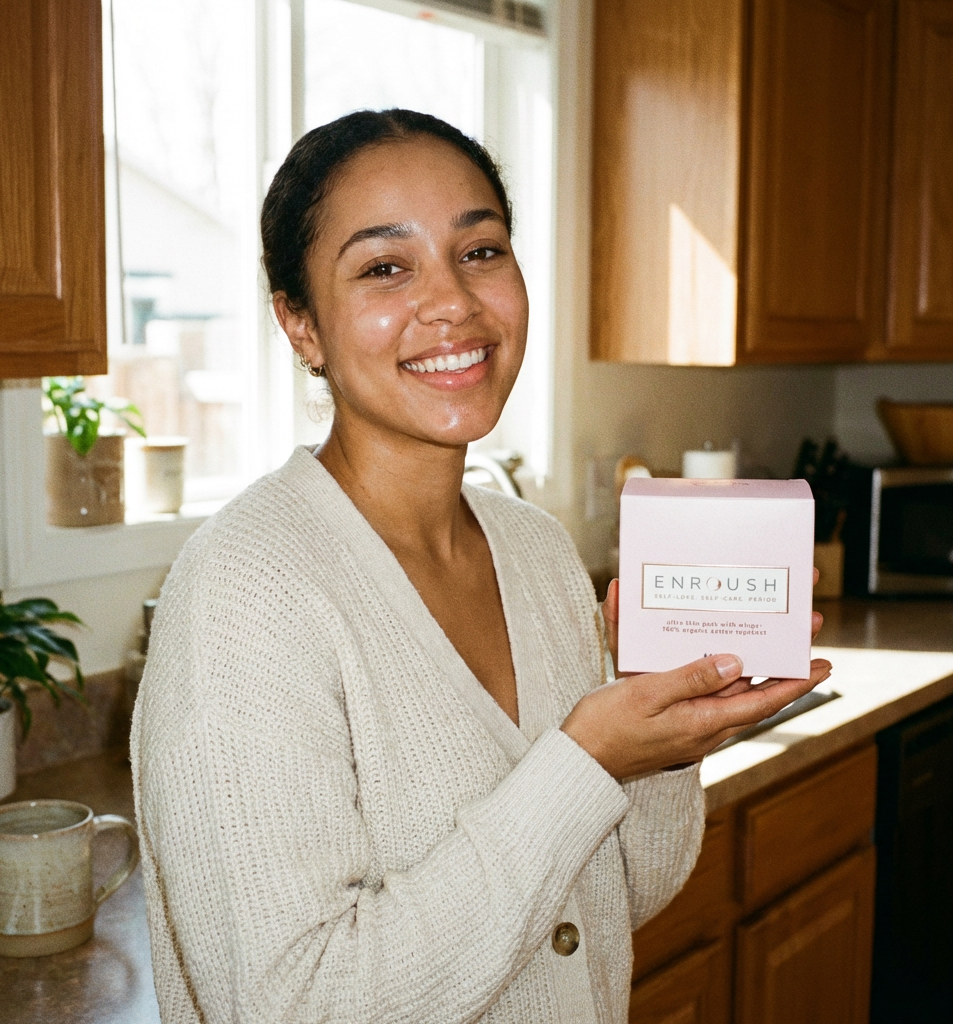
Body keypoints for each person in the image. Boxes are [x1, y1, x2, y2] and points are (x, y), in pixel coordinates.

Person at [131, 109, 830, 1024]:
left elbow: (609, 906)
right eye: (385, 267)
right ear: (301, 326)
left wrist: (663, 744)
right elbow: (290, 1002)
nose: (454, 303)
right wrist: (586, 759)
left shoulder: (535, 551)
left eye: (481, 250)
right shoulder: (245, 594)